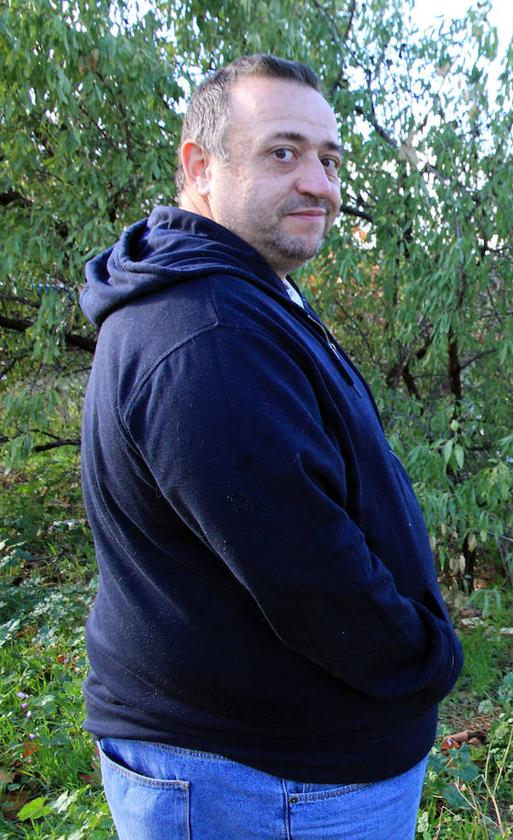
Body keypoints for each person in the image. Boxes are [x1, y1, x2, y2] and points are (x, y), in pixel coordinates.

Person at [79, 54, 462, 839]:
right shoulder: (206, 336)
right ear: (200, 165)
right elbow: (310, 575)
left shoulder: (242, 292)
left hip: (263, 767)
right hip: (262, 782)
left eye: (329, 158)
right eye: (283, 152)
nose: (319, 183)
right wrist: (429, 661)